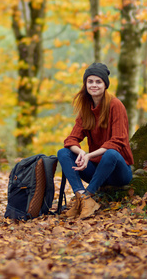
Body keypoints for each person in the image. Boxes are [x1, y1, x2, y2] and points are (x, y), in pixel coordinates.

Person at [57, 62, 134, 219]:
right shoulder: (86, 108)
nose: (94, 85)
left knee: (111, 153)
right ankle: (82, 198)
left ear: (105, 84)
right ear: (85, 84)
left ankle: (88, 195)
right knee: (63, 153)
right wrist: (81, 153)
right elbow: (71, 139)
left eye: (98, 82)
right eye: (90, 81)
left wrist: (89, 156)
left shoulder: (115, 105)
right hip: (96, 171)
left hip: (118, 173)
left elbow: (117, 141)